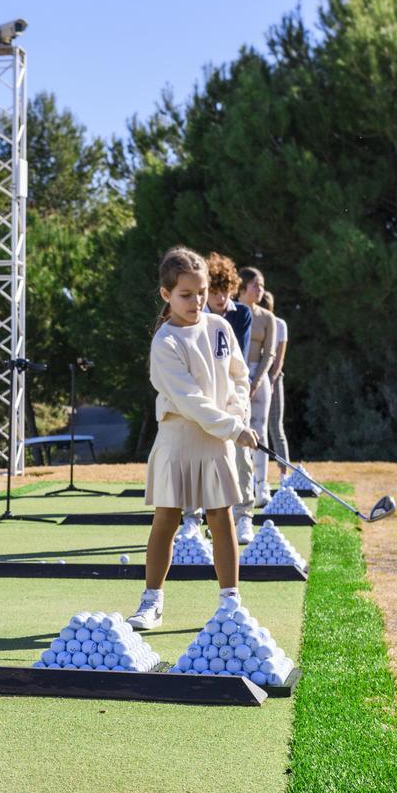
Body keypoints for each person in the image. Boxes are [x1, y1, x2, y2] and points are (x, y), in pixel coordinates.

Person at [127, 247, 257, 632]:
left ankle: (230, 602)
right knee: (167, 516)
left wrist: (237, 414)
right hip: (179, 437)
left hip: (217, 439)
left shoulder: (220, 327)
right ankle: (152, 602)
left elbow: (237, 376)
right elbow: (191, 401)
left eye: (201, 292)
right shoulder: (164, 343)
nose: (197, 301)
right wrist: (232, 428)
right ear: (166, 294)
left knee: (221, 517)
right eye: (186, 294)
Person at [180, 253, 253, 535]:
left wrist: (236, 410)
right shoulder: (194, 318)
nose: (222, 298)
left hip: (231, 397)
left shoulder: (241, 315)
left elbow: (237, 362)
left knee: (240, 456)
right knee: (193, 456)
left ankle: (244, 515)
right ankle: (192, 519)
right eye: (216, 292)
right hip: (202, 400)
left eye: (226, 291)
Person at [236, 266, 278, 514]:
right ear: (243, 287)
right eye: (255, 285)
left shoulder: (267, 317)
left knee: (260, 431)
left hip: (258, 376)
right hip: (235, 374)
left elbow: (270, 353)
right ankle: (243, 487)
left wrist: (257, 380)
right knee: (239, 431)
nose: (260, 290)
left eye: (262, 285)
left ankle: (262, 485)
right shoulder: (233, 311)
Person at [260, 290, 290, 474]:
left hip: (273, 377)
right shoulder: (253, 320)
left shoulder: (279, 325)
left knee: (275, 428)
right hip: (255, 376)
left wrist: (270, 380)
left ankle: (283, 475)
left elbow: (279, 358)